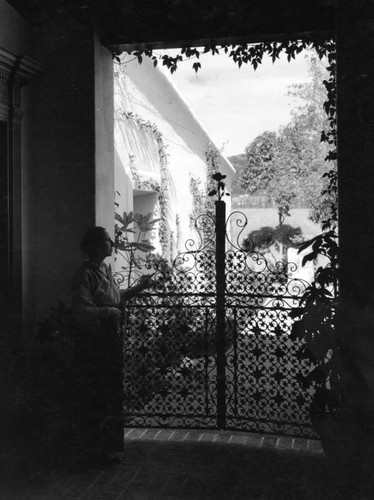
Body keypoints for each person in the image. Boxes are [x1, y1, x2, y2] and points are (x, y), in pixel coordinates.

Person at [71, 226, 153, 466]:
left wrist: (140, 287)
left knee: (110, 393)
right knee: (98, 394)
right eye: (108, 241)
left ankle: (108, 450)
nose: (112, 244)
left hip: (108, 339)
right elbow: (80, 311)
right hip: (94, 343)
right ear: (98, 246)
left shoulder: (104, 269)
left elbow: (116, 299)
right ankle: (96, 451)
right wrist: (111, 312)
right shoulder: (85, 275)